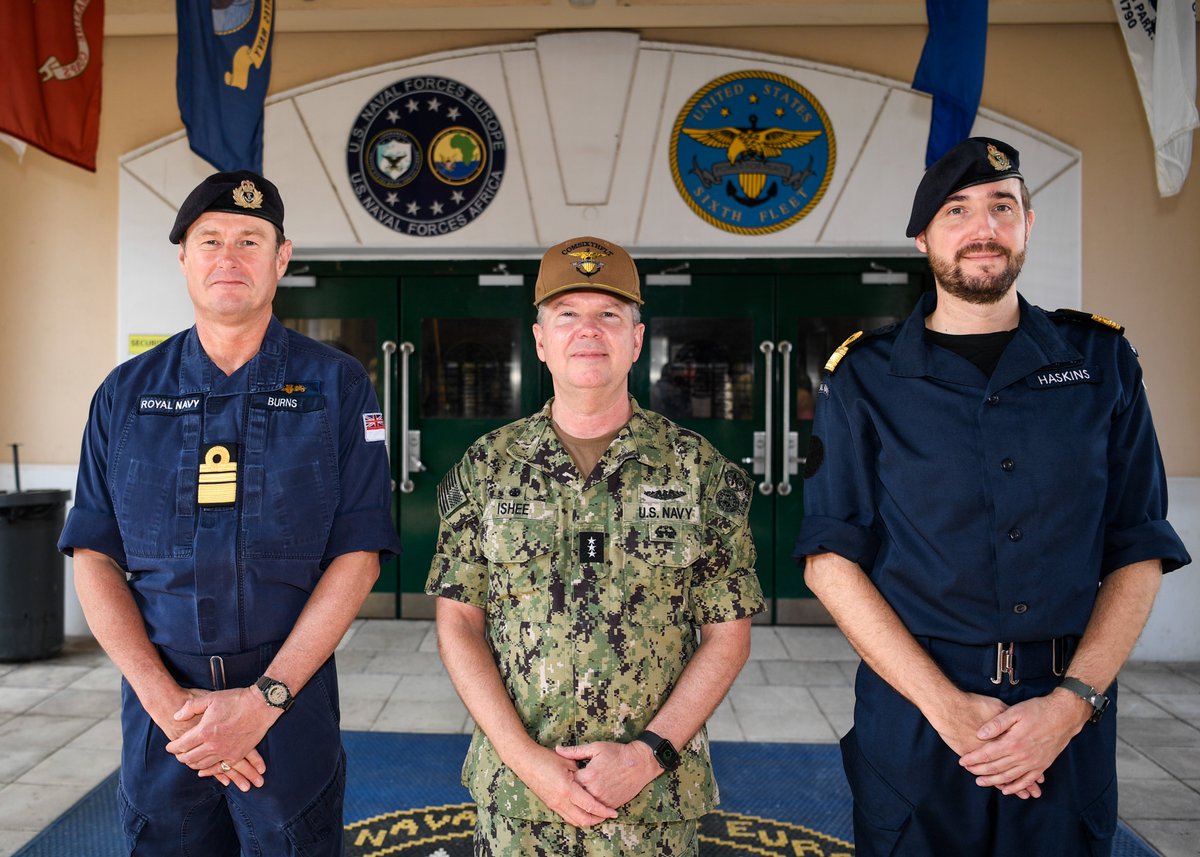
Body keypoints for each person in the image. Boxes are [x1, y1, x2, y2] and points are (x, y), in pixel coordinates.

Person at [793, 136, 1191, 857]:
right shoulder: (863, 379)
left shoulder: (1100, 362)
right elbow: (829, 557)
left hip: (1067, 709)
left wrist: (1071, 704)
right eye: (957, 211)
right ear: (924, 238)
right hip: (918, 715)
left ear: (1028, 226)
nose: (984, 228)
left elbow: (1138, 545)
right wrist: (945, 707)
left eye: (1002, 207)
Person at [58, 170, 402, 856]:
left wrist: (262, 701)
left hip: (290, 704)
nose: (228, 255)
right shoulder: (124, 396)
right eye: (209, 239)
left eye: (251, 239)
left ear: (282, 258)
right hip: (164, 715)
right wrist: (170, 707)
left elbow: (358, 553)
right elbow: (94, 553)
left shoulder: (338, 386)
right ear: (184, 257)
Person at [426, 235, 764, 855]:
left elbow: (728, 635)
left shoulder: (698, 471)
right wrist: (526, 760)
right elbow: (458, 626)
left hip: (653, 804)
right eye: (567, 314)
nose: (589, 330)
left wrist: (646, 756)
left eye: (609, 314)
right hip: (519, 804)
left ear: (636, 340)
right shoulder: (487, 467)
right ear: (540, 340)